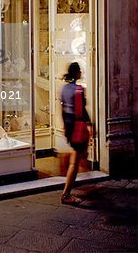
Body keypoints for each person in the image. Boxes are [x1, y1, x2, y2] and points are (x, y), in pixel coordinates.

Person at [61, 62, 92, 205]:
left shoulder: (64, 89)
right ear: (77, 73)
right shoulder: (78, 90)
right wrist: (89, 124)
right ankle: (66, 194)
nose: (81, 73)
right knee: (75, 161)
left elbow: (63, 109)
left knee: (79, 155)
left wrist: (65, 126)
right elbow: (81, 111)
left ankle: (81, 180)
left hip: (69, 126)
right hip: (77, 127)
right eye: (80, 71)